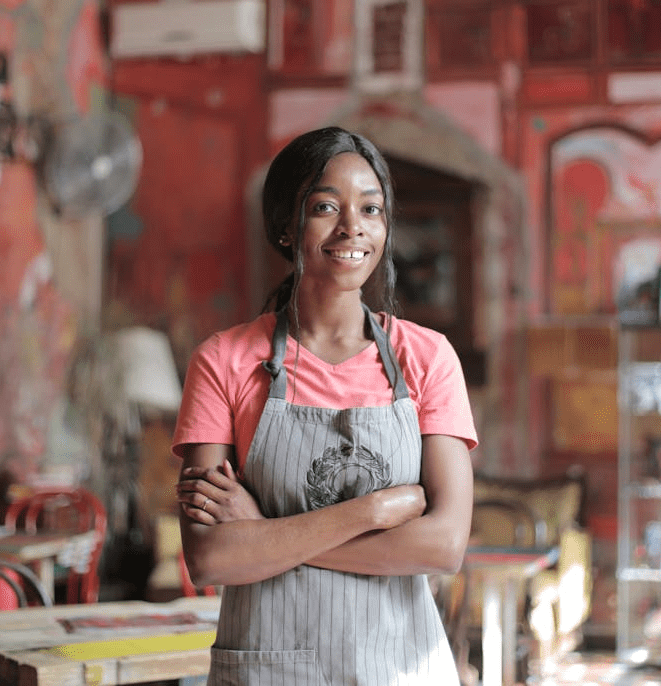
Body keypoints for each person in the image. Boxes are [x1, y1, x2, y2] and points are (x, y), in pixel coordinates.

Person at [172, 126, 477, 685]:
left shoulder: (427, 358)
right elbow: (213, 559)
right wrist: (372, 513)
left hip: (403, 669)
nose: (352, 227)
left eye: (371, 208)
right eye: (325, 207)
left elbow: (443, 545)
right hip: (271, 671)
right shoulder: (224, 361)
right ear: (287, 227)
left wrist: (265, 534)